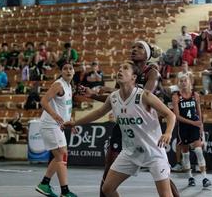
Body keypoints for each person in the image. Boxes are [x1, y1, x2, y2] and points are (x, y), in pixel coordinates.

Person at [81, 40, 180, 197]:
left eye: (139, 47)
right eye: (133, 47)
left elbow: (140, 97)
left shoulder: (151, 72)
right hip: (125, 127)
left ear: (147, 54)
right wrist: (94, 95)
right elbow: (115, 98)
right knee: (108, 172)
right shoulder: (123, 72)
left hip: (144, 128)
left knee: (163, 178)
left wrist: (104, 89)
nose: (134, 49)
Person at [35, 60, 77, 197]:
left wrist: (69, 122)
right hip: (49, 125)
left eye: (71, 68)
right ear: (61, 72)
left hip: (57, 126)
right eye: (65, 68)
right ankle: (65, 192)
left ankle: (44, 184)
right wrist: (54, 116)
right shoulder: (59, 85)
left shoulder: (69, 86)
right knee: (62, 156)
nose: (68, 71)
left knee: (60, 155)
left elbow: (66, 107)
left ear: (74, 71)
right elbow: (43, 101)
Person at [172, 73, 211, 188]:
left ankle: (204, 177)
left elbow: (199, 112)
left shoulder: (195, 95)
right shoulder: (176, 96)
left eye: (185, 80)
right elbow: (177, 116)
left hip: (195, 126)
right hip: (183, 127)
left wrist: (201, 125)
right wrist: (194, 122)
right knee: (185, 154)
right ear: (179, 83)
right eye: (181, 81)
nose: (183, 83)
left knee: (198, 150)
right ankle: (190, 177)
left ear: (190, 82)